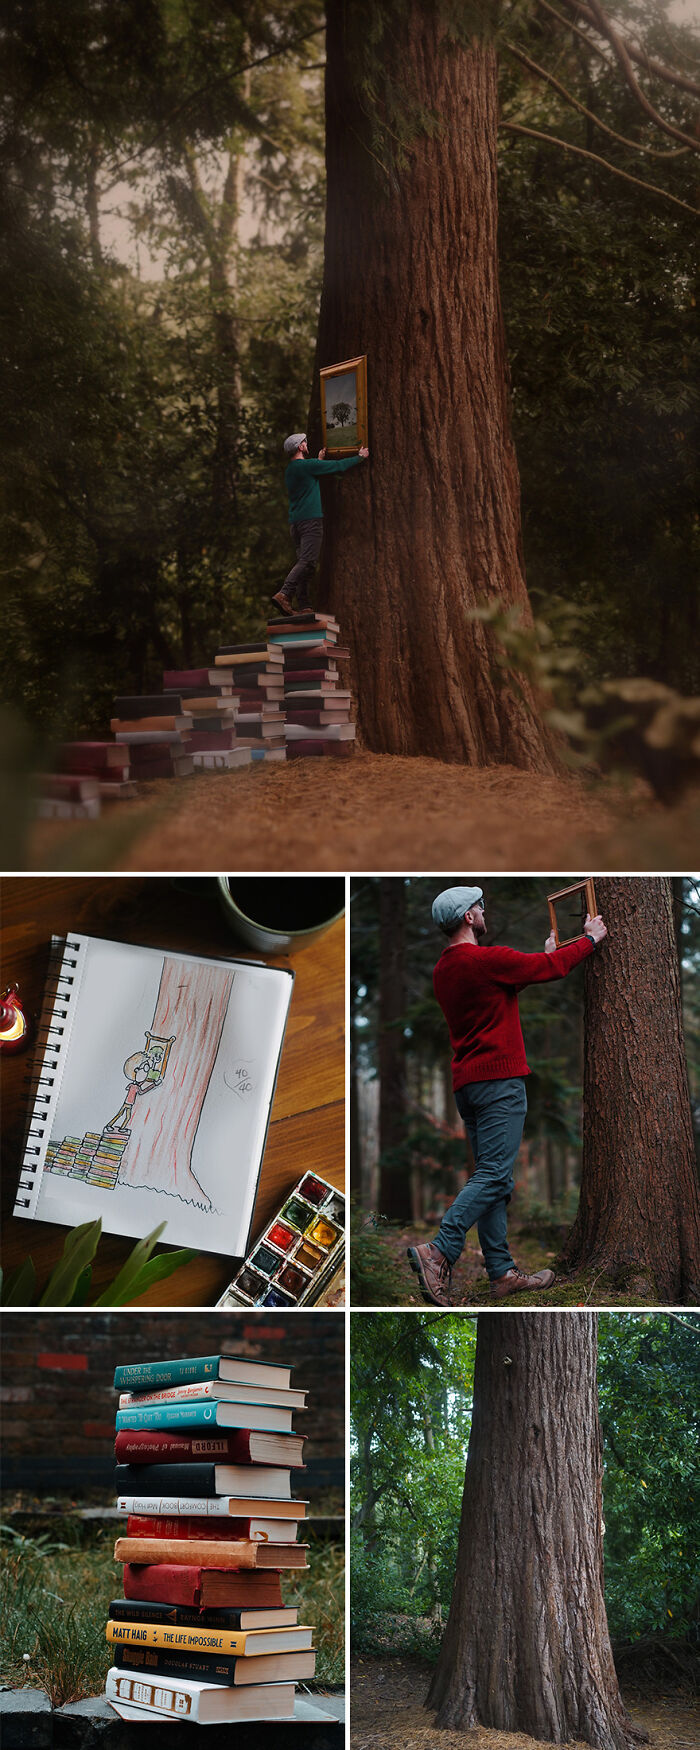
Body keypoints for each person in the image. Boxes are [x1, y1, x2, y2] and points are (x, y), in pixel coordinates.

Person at [407, 884, 608, 1306]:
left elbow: (503, 990)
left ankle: (502, 1273)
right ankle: (439, 1250)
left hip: (469, 1086)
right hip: (499, 1084)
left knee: (493, 1179)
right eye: (479, 907)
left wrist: (550, 951)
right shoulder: (485, 959)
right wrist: (589, 939)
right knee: (495, 1176)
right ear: (468, 918)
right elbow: (548, 970)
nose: (484, 911)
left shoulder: (445, 970)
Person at [271, 433, 369, 616]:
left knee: (305, 564)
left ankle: (304, 605)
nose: (307, 443)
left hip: (296, 523)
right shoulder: (308, 466)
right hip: (310, 521)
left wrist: (318, 460)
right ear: (300, 447)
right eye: (305, 442)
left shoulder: (291, 469)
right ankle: (284, 593)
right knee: (308, 561)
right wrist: (359, 457)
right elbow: (337, 466)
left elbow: (309, 476)